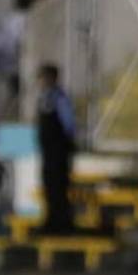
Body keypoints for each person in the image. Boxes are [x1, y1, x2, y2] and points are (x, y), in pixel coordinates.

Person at [35, 64, 76, 235]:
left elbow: (68, 124)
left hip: (58, 150)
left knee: (59, 186)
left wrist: (66, 143)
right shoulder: (44, 98)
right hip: (48, 151)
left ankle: (62, 222)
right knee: (49, 186)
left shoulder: (59, 98)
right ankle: (51, 220)